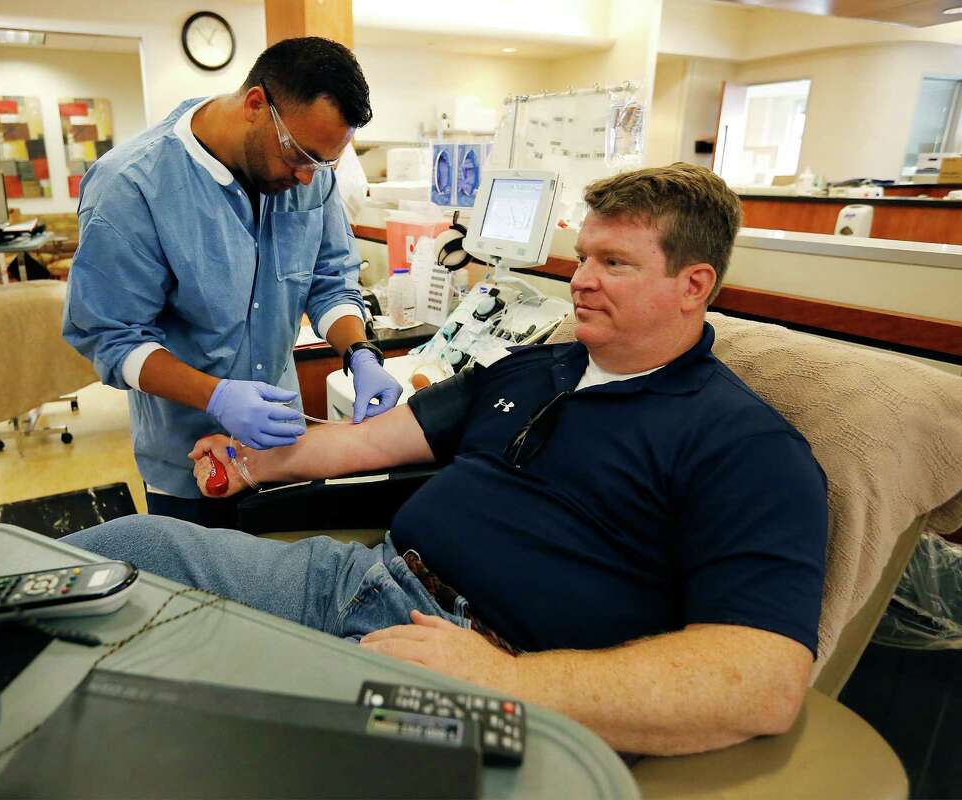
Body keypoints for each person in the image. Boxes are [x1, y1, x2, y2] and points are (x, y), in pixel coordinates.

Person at [62, 164, 828, 756]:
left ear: (693, 284)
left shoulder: (746, 448)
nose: (582, 279)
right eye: (583, 255)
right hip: (356, 582)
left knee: (217, 746)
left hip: (481, 665)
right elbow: (365, 440)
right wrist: (255, 462)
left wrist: (509, 682)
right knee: (132, 551)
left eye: (615, 264)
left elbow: (760, 681)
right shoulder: (535, 368)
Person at [62, 38, 402, 527]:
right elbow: (110, 337)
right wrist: (216, 395)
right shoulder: (132, 186)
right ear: (256, 105)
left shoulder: (310, 172)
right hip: (188, 467)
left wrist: (360, 354)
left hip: (281, 453)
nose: (309, 179)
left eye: (324, 163)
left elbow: (329, 282)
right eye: (301, 156)